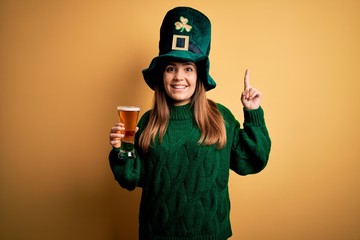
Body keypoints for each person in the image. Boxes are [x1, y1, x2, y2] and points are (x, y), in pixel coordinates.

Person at [109, 6, 271, 240]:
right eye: (171, 68)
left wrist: (252, 113)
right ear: (161, 75)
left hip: (210, 235)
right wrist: (121, 150)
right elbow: (132, 178)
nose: (178, 77)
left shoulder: (220, 118)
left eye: (188, 69)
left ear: (199, 76)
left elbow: (253, 161)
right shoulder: (148, 122)